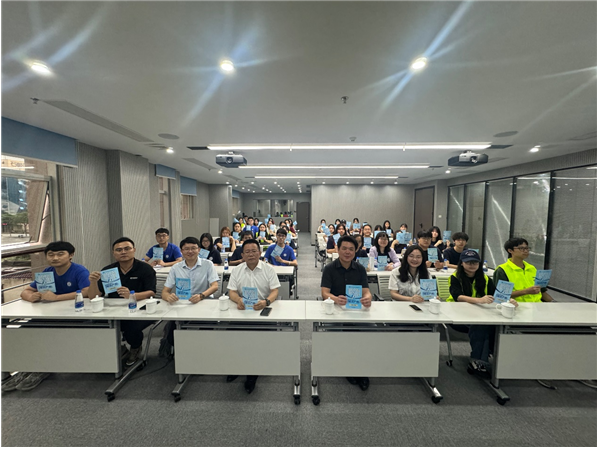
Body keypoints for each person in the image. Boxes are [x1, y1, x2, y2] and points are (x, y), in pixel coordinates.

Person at [4, 241, 91, 392]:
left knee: (48, 333)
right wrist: (30, 296)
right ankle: (26, 368)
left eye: (60, 254)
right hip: (49, 314)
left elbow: (87, 291)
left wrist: (57, 298)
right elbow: (26, 291)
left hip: (73, 316)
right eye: (51, 255)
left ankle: (41, 368)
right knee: (23, 331)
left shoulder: (79, 271)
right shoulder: (47, 272)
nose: (55, 258)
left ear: (71, 255)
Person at [447, 249, 519, 376]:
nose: (472, 265)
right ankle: (478, 359)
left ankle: (487, 357)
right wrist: (479, 300)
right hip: (458, 314)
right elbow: (458, 296)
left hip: (481, 312)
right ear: (461, 263)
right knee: (481, 325)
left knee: (494, 325)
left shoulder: (485, 278)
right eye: (468, 262)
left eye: (475, 262)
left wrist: (509, 300)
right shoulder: (455, 277)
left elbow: (496, 295)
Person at [88, 237, 157, 366]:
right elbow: (94, 297)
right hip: (114, 308)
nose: (123, 252)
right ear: (113, 253)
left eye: (127, 249)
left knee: (130, 327)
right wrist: (92, 282)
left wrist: (132, 295)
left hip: (140, 308)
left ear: (134, 250)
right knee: (96, 323)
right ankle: (119, 349)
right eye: (119, 250)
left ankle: (135, 347)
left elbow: (151, 292)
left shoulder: (145, 269)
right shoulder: (108, 270)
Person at [227, 239, 281, 394]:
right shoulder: (237, 270)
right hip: (242, 309)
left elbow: (275, 291)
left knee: (257, 340)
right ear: (242, 255)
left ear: (260, 252)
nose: (251, 254)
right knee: (234, 337)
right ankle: (237, 367)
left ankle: (252, 374)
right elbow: (231, 291)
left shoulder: (268, 269)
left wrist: (266, 302)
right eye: (247, 252)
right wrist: (238, 300)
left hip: (262, 309)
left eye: (254, 251)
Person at [321, 235, 372, 391]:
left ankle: (362, 369)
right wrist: (336, 299)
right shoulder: (329, 268)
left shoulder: (360, 269)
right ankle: (348, 367)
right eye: (344, 248)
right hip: (336, 310)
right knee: (343, 334)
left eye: (351, 249)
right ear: (338, 249)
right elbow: (324, 293)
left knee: (367, 333)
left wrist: (368, 298)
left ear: (356, 251)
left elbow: (366, 291)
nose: (347, 252)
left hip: (356, 310)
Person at [159, 236, 220, 356]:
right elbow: (165, 292)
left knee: (206, 332)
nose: (190, 251)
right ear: (181, 251)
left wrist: (201, 296)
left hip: (204, 303)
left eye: (193, 248)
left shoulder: (208, 264)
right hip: (182, 305)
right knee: (172, 333)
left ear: (199, 250)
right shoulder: (176, 268)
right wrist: (168, 297)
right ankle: (181, 353)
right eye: (186, 249)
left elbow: (214, 286)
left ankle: (203, 353)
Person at [493, 237, 554, 302]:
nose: (525, 251)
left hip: (537, 305)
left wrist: (554, 303)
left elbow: (542, 291)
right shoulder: (502, 270)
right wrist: (526, 291)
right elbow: (501, 296)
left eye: (527, 248)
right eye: (521, 248)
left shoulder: (532, 268)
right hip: (517, 305)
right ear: (510, 250)